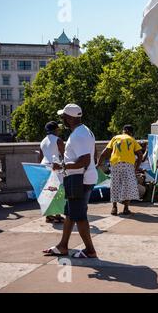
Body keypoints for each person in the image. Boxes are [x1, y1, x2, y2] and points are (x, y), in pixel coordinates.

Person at [44, 104, 98, 258]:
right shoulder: (85, 131)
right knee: (70, 212)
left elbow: (84, 160)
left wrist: (61, 165)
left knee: (79, 215)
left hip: (79, 179)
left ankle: (90, 250)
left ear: (69, 118)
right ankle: (63, 246)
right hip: (82, 177)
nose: (62, 120)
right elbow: (90, 157)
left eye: (63, 117)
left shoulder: (78, 135)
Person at [97, 125, 143, 216]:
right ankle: (126, 208)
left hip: (115, 164)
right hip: (128, 165)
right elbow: (140, 154)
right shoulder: (132, 139)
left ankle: (114, 208)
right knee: (127, 186)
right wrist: (136, 168)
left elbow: (105, 152)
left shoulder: (115, 138)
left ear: (124, 130)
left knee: (115, 185)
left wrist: (98, 164)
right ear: (130, 132)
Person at [39, 121, 65, 224]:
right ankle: (58, 215)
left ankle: (49, 216)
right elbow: (64, 155)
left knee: (48, 191)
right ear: (55, 130)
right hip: (55, 167)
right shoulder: (58, 140)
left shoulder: (42, 141)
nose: (59, 131)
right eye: (58, 129)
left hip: (44, 166)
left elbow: (40, 157)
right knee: (58, 191)